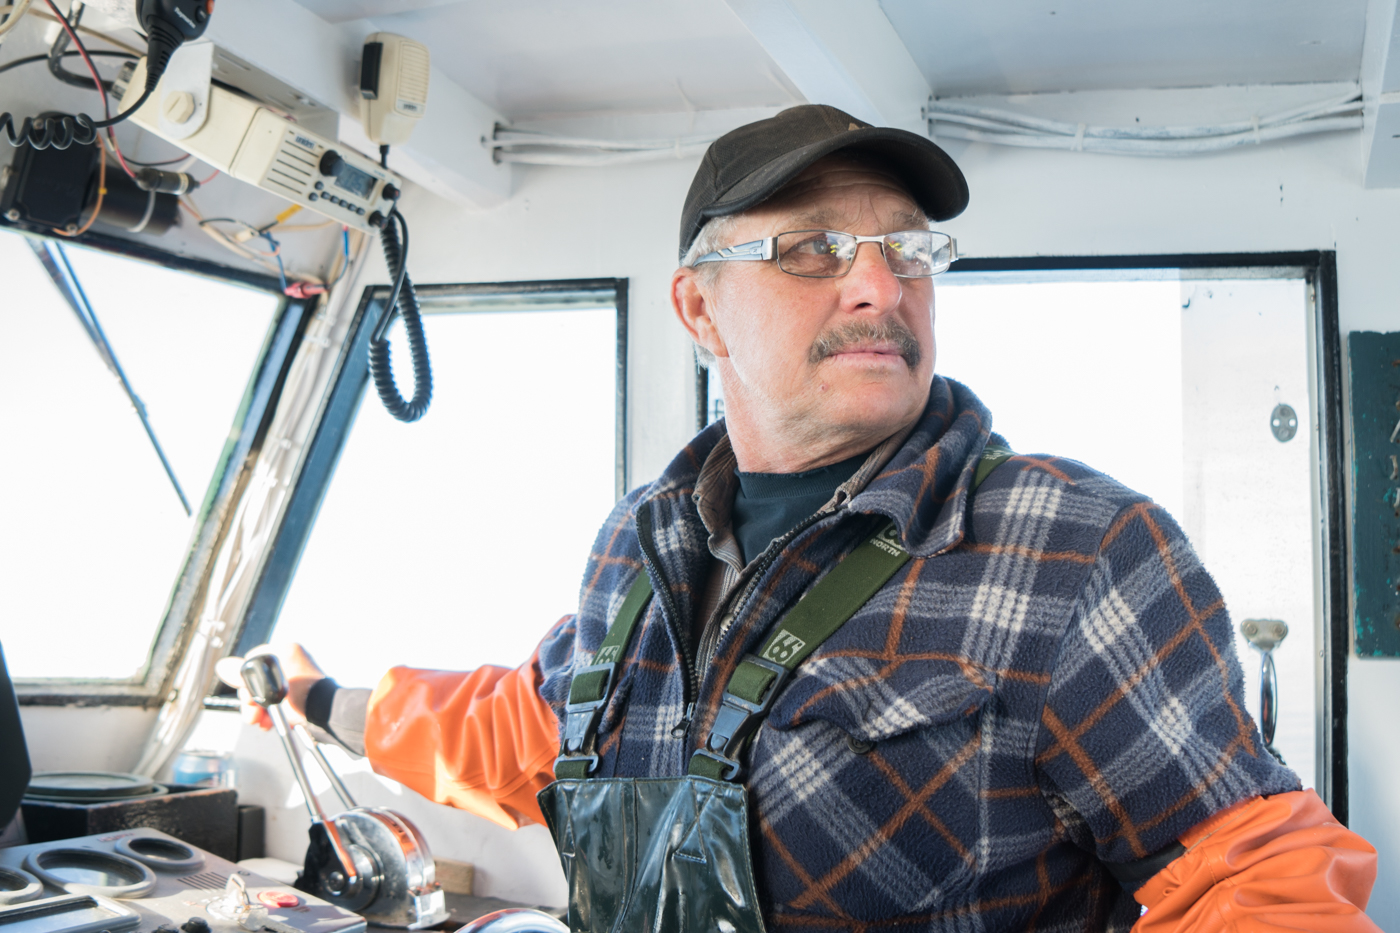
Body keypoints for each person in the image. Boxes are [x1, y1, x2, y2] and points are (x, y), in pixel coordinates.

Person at [243, 105, 1379, 932]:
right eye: (811, 251)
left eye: (907, 252)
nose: (879, 285)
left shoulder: (1075, 550)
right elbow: (526, 734)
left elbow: (1256, 874)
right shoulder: (636, 548)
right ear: (697, 306)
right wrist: (319, 700)